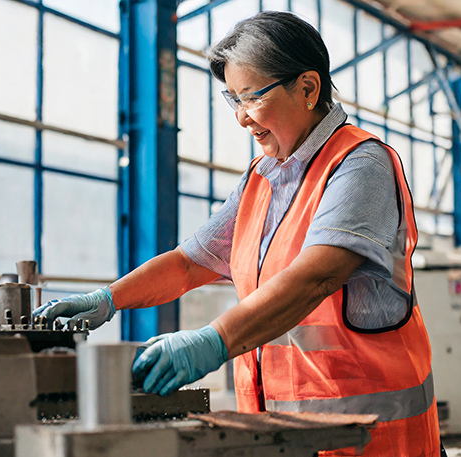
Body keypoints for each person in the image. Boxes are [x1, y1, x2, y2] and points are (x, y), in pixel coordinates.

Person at [34, 11, 440, 456]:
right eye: (232, 100)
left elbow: (316, 277)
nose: (242, 118)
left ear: (308, 88)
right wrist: (110, 299)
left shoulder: (361, 165)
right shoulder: (262, 178)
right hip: (282, 435)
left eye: (251, 97)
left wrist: (212, 341)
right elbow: (189, 262)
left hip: (370, 438)